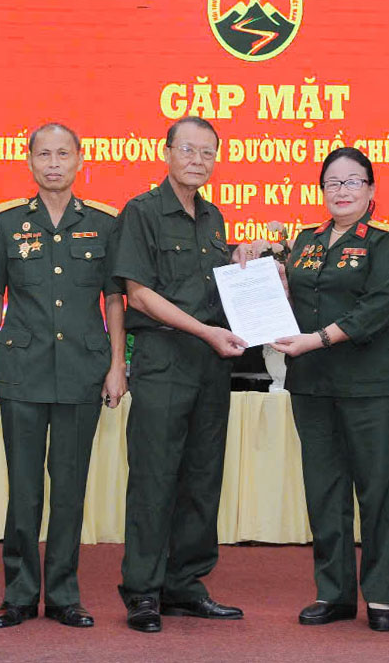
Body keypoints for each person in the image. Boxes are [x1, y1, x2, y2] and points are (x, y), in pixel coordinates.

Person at [0, 123, 127, 630]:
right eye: (45, 154)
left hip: (83, 370)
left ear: (80, 160)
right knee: (23, 490)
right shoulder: (4, 221)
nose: (54, 163)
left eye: (64, 154)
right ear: (30, 161)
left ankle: (64, 594)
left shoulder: (105, 223)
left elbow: (114, 299)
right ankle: (18, 594)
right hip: (22, 369)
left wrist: (117, 365)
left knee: (69, 488)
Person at [262, 147, 389, 631]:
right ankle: (334, 592)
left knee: (376, 489)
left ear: (371, 189)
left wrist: (317, 339)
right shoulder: (306, 240)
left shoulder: (386, 243)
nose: (341, 191)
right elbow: (294, 301)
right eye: (332, 183)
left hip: (370, 385)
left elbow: (376, 308)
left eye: (352, 182)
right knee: (324, 491)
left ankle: (380, 596)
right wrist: (270, 285)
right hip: (314, 385)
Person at [112, 116, 247, 633]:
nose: (198, 160)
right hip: (164, 358)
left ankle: (185, 585)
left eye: (207, 152)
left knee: (202, 477)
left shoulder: (213, 218)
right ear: (166, 153)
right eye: (188, 150)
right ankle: (144, 591)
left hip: (211, 365)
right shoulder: (142, 212)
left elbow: (217, 290)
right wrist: (206, 331)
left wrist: (247, 268)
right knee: (154, 477)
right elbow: (139, 295)